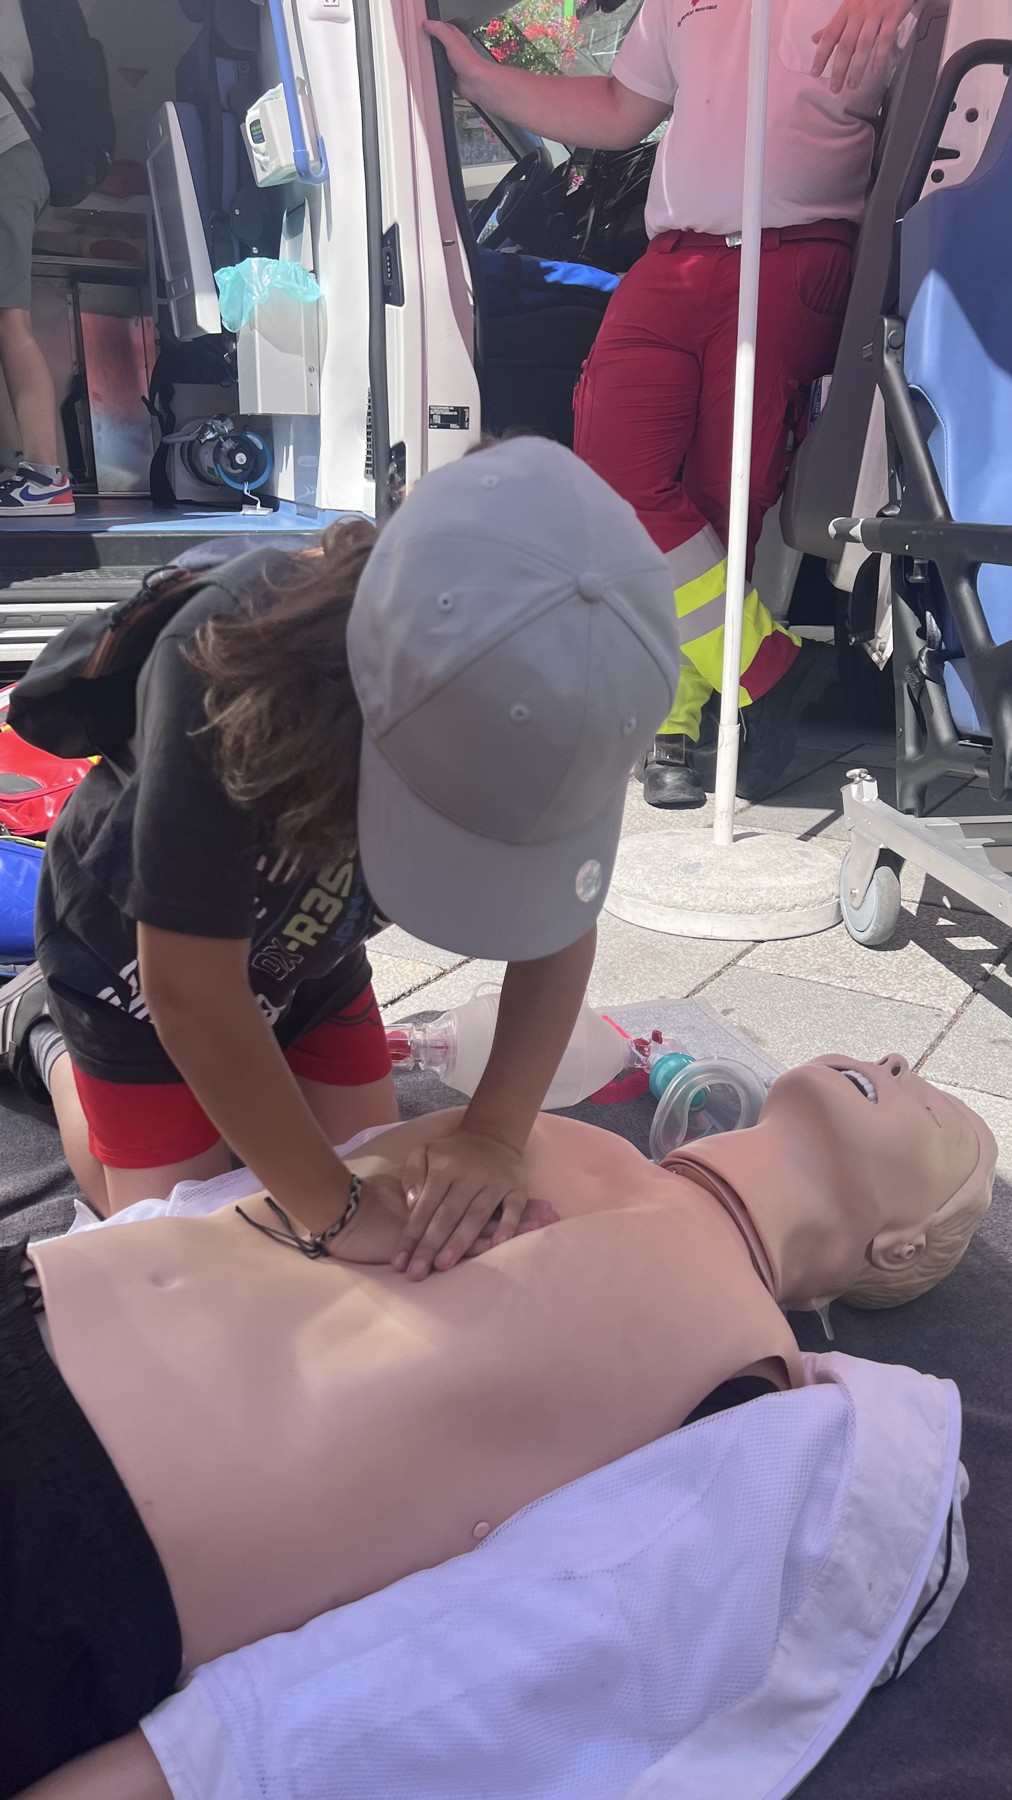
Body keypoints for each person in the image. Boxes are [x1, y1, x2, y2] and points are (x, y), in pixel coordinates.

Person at [1, 1050, 995, 1794]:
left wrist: (162, 1776)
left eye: (944, 1115)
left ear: (902, 1244)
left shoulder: (747, 1388)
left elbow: (509, 1639)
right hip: (37, 1295)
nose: (897, 1060)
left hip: (73, 1542)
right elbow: (239, 1208)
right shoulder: (556, 1130)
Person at [0, 437, 680, 1278]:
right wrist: (335, 1210)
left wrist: (496, 1136)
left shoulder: (575, 697)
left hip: (310, 957)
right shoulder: (226, 663)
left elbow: (561, 929)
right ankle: (44, 1038)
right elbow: (192, 995)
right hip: (133, 970)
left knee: (371, 1158)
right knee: (180, 1233)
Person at [427, 0, 920, 807]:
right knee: (611, 480)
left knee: (724, 495)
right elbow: (619, 109)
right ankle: (768, 667)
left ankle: (675, 723)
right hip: (674, 257)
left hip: (798, 250)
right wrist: (479, 77)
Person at [0, 0, 73, 513]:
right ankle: (14, 466)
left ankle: (45, 476)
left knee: (11, 320)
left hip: (7, 159)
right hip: (19, 157)